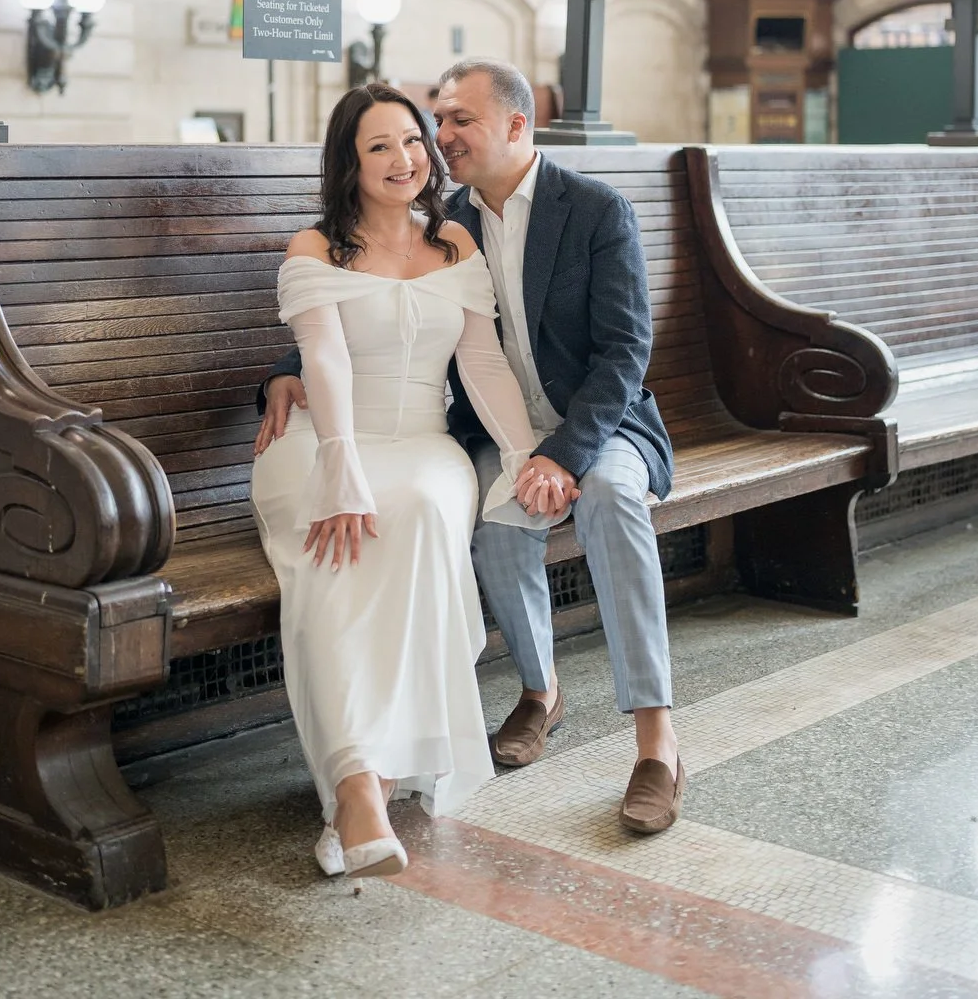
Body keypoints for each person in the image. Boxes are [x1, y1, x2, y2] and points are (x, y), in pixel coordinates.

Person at [260, 59, 683, 836]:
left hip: (597, 420)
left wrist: (563, 453)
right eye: (439, 121)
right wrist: (287, 375)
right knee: (488, 512)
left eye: (458, 123)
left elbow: (625, 354)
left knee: (616, 500)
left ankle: (656, 741)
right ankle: (539, 689)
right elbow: (368, 302)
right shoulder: (446, 218)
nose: (439, 138)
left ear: (517, 126)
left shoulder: (592, 209)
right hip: (491, 429)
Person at [250, 81, 568, 885]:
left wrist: (528, 454)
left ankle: (371, 784)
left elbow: (483, 361)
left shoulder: (455, 243)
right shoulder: (314, 249)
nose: (405, 160)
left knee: (423, 509)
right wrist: (341, 466)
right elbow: (321, 360)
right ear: (349, 164)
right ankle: (358, 786)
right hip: (325, 441)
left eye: (414, 141)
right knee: (338, 550)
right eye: (379, 147)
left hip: (425, 444)